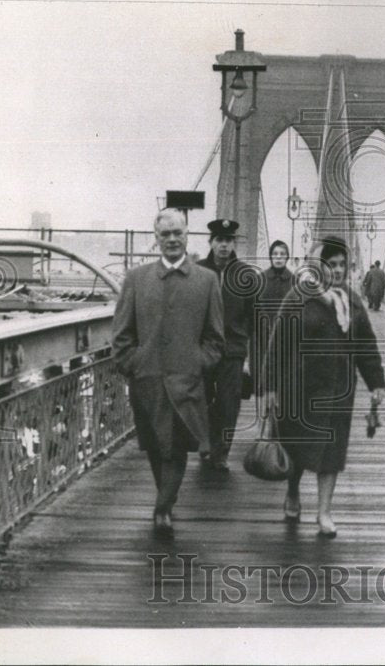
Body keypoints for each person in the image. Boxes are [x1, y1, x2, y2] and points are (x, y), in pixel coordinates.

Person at [260, 236, 385, 538]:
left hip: (338, 389)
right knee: (296, 447)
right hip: (299, 389)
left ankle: (324, 512)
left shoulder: (353, 301)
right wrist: (270, 388)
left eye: (343, 264)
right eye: (332, 264)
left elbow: (366, 346)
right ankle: (292, 492)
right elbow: (278, 344)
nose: (339, 270)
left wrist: (376, 383)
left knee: (332, 451)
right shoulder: (298, 297)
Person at [111, 209, 224, 538]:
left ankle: (163, 507)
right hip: (147, 381)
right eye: (165, 234)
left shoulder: (207, 281)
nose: (172, 239)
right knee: (157, 446)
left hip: (186, 382)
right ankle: (166, 502)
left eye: (178, 233)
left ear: (188, 235)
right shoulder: (136, 279)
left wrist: (196, 363)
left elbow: (216, 339)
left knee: (176, 446)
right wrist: (134, 363)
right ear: (156, 238)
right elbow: (121, 335)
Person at [198, 218, 260, 473]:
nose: (224, 246)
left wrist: (251, 358)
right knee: (201, 399)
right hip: (202, 349)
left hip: (233, 350)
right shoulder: (198, 272)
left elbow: (254, 318)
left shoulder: (246, 275)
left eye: (228, 241)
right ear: (211, 243)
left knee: (228, 402)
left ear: (234, 243)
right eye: (219, 241)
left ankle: (220, 452)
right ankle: (206, 444)